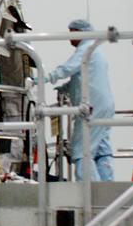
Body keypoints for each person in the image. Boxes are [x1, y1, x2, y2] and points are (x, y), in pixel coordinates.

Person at [48, 18, 115, 181]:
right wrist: (64, 89)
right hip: (104, 106)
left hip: (91, 107)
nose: (70, 38)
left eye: (72, 34)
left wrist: (44, 78)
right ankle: (109, 192)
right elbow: (80, 78)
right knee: (100, 150)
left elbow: (67, 69)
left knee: (81, 151)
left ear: (82, 33)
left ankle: (91, 197)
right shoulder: (95, 50)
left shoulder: (86, 50)